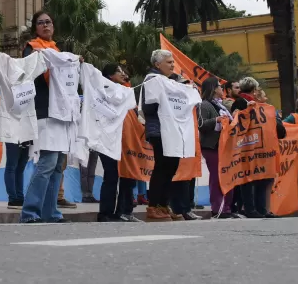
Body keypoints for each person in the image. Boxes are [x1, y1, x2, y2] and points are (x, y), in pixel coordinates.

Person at [18, 10, 71, 224]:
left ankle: (51, 212)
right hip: (43, 110)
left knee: (58, 164)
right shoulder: (32, 48)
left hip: (61, 112)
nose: (45, 25)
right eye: (41, 23)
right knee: (47, 162)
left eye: (48, 22)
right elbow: (29, 73)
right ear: (35, 28)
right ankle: (30, 211)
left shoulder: (57, 49)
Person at [143, 49, 193, 222]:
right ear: (157, 64)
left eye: (173, 62)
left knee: (172, 167)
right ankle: (153, 207)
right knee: (162, 167)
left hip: (172, 130)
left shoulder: (169, 82)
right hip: (159, 130)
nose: (173, 65)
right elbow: (148, 108)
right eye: (169, 62)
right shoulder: (152, 80)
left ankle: (164, 206)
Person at [230, 78, 283, 218]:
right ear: (254, 90)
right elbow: (236, 121)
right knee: (248, 178)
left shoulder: (259, 105)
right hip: (247, 146)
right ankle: (250, 209)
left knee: (261, 177)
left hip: (259, 146)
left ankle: (261, 209)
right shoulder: (241, 103)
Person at [97, 64, 140, 223]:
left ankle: (124, 211)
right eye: (118, 71)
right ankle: (105, 213)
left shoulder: (127, 91)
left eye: (124, 70)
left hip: (127, 140)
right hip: (108, 139)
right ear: (109, 76)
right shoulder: (103, 90)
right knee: (111, 176)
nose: (123, 73)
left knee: (128, 175)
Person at [198, 76, 236, 218]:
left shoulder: (222, 106)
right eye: (219, 86)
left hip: (225, 146)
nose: (222, 89)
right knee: (217, 177)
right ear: (213, 89)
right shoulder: (204, 105)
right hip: (212, 146)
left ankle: (227, 207)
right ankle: (217, 208)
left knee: (228, 177)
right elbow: (201, 124)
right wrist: (216, 120)